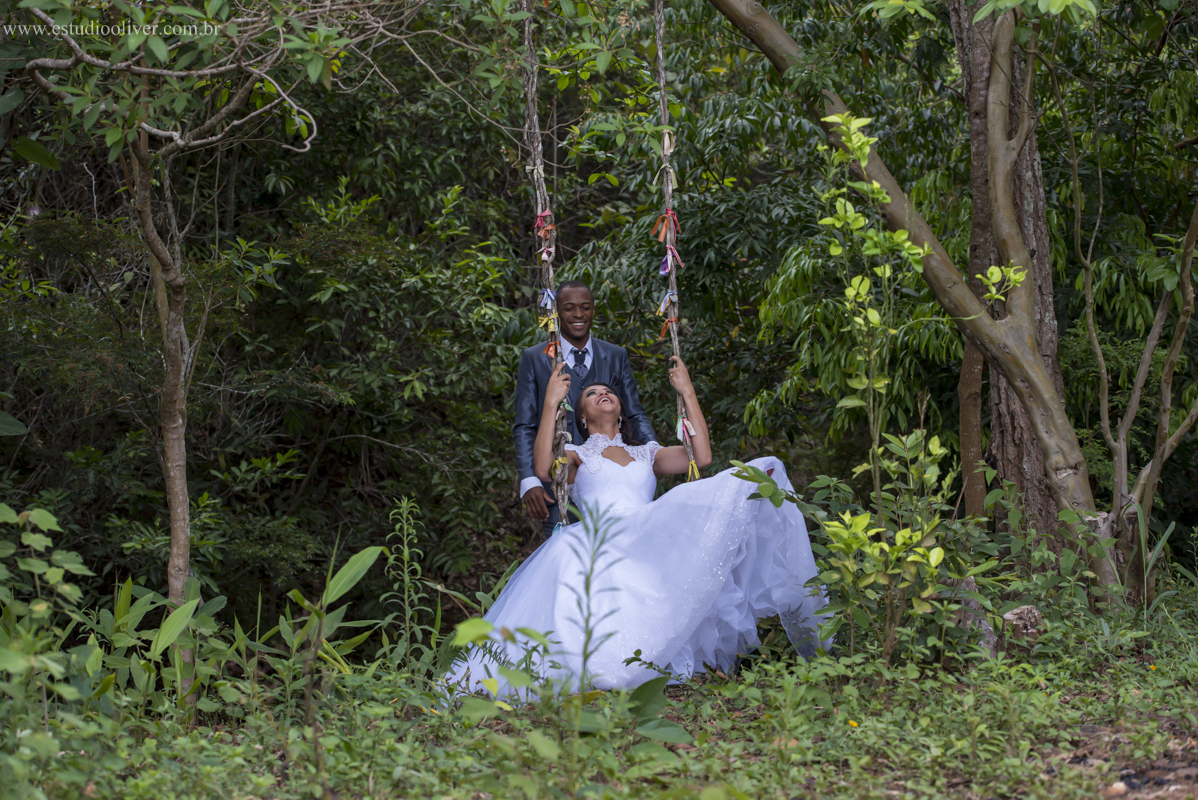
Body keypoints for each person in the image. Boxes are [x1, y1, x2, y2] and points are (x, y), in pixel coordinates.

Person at [447, 356, 828, 699]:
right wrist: (550, 403)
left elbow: (703, 457)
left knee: (758, 472)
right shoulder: (577, 454)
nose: (602, 394)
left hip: (645, 533)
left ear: (620, 408)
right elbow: (545, 468)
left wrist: (687, 390)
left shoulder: (647, 453)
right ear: (581, 416)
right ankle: (593, 669)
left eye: (608, 391)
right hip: (600, 536)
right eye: (592, 393)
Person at [514, 281, 657, 537]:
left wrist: (649, 455)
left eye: (586, 308)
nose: (578, 315)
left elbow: (634, 413)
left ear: (593, 310)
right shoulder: (535, 358)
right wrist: (529, 479)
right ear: (556, 312)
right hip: (558, 479)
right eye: (569, 308)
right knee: (565, 560)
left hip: (610, 480)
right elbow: (525, 425)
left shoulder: (615, 355)